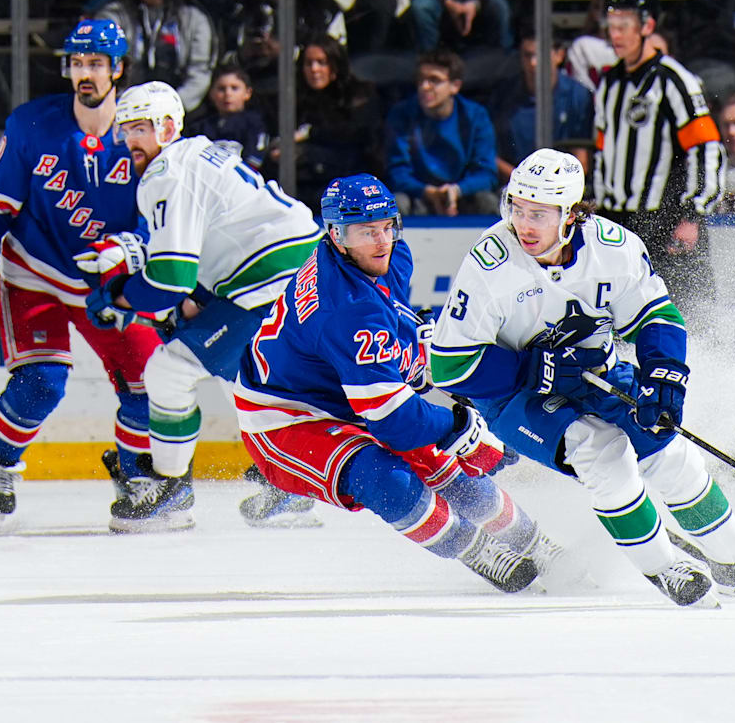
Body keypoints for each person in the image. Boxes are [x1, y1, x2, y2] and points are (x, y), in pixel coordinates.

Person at [430, 148, 735, 606]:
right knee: (600, 454)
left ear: (569, 214)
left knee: (671, 454)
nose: (524, 223)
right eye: (517, 208)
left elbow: (656, 316)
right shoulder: (489, 263)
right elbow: (449, 365)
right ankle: (665, 568)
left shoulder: (614, 248)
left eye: (539, 213)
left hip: (597, 374)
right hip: (515, 396)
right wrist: (533, 367)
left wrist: (665, 377)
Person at [233, 174, 574, 592]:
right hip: (283, 418)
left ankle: (537, 544)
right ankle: (476, 550)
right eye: (364, 232)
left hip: (343, 388)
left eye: (385, 226)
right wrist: (461, 428)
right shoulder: (346, 308)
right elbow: (392, 418)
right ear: (336, 235)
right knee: (383, 477)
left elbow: (390, 327)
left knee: (447, 468)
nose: (380, 241)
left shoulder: (388, 258)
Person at [77, 81, 323, 531]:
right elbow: (212, 252)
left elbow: (171, 278)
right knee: (247, 378)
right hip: (295, 274)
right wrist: (189, 303)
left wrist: (120, 297)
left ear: (168, 127)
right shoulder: (194, 154)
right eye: (125, 129)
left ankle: (172, 490)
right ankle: (291, 482)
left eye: (140, 128)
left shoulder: (166, 172)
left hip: (275, 283)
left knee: (169, 370)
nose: (130, 140)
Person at [0, 20, 162, 529]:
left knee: (148, 381)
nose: (85, 73)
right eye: (78, 63)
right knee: (42, 383)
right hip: (35, 270)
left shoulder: (143, 133)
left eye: (96, 64)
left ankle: (134, 476)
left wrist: (137, 250)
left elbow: (168, 212)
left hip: (105, 282)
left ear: (119, 68)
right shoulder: (32, 125)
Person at [591, 0, 724, 315]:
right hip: (616, 222)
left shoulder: (673, 80)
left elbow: (706, 147)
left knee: (685, 314)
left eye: (624, 25)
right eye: (611, 24)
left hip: (665, 221)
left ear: (647, 27)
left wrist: (693, 213)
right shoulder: (609, 83)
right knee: (618, 316)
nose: (615, 34)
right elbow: (604, 151)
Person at [96, 0, 218, 112]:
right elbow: (104, 65)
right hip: (124, 111)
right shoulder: (114, 15)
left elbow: (200, 73)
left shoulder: (193, 18)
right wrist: (125, 107)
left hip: (182, 112)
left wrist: (168, 109)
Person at [384, 49, 500, 215]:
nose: (425, 87)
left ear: (455, 86)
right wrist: (427, 192)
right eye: (421, 80)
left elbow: (487, 173)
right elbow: (397, 173)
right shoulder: (401, 115)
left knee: (487, 201)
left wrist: (457, 190)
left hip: (464, 195)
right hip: (418, 195)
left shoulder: (475, 116)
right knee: (397, 202)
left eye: (434, 80)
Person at [287, 35, 384, 206]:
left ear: (335, 64)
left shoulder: (359, 95)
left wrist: (308, 138)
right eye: (309, 63)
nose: (314, 69)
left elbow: (355, 137)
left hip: (350, 183)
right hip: (305, 185)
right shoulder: (296, 100)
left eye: (321, 62)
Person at [492, 29, 593, 184]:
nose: (533, 63)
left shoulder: (579, 96)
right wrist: (524, 182)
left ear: (559, 55)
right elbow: (489, 155)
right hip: (514, 186)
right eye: (527, 55)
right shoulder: (503, 95)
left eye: (540, 55)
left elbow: (582, 160)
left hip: (561, 188)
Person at [184, 65, 269, 171]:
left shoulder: (255, 123)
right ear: (212, 93)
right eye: (221, 89)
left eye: (234, 88)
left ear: (247, 93)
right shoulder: (200, 126)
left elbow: (254, 160)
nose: (228, 94)